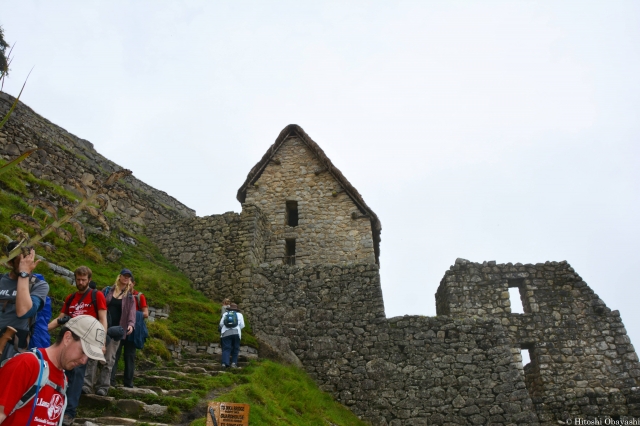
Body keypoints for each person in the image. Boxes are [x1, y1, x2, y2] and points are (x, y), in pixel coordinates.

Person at [0, 315, 106, 426]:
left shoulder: (63, 380)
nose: (84, 361)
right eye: (83, 351)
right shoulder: (26, 364)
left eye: (89, 356)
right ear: (67, 338)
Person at [48, 266, 107, 426]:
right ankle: (56, 406)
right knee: (61, 372)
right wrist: (43, 329)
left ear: (89, 279)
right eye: (78, 279)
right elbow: (61, 318)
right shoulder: (70, 298)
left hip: (86, 341)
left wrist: (102, 342)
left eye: (83, 279)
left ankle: (69, 412)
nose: (80, 282)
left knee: (77, 374)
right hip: (67, 340)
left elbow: (103, 319)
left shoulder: (97, 295)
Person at [85, 269, 135, 394]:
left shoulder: (130, 297)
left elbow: (132, 314)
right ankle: (87, 384)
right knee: (93, 356)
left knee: (109, 359)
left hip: (117, 330)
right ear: (120, 276)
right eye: (124, 276)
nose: (126, 278)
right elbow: (96, 303)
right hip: (101, 327)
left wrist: (131, 325)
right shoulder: (107, 291)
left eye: (128, 277)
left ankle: (103, 387)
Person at [0, 242, 48, 364]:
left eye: (29, 258)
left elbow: (24, 311)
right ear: (10, 262)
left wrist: (24, 274)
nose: (27, 263)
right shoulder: (1, 280)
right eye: (22, 261)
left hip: (12, 347)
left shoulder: (39, 285)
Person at [110, 276, 147, 387]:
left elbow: (146, 313)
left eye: (129, 284)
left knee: (129, 356)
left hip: (132, 332)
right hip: (120, 328)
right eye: (126, 284)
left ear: (133, 284)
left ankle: (128, 382)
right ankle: (111, 380)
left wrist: (131, 314)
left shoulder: (139, 296)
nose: (127, 286)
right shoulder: (119, 294)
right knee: (115, 355)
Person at [219, 303, 245, 369]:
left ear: (229, 308)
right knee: (236, 348)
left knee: (226, 348)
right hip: (236, 333)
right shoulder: (240, 315)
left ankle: (224, 364)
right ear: (236, 309)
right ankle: (233, 363)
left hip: (226, 333)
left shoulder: (225, 314)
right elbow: (242, 325)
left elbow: (221, 324)